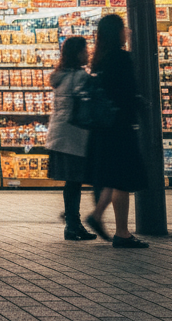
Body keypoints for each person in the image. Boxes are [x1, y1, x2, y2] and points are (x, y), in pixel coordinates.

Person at [84, 14, 149, 248]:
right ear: (117, 32)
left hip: (103, 128)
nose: (127, 31)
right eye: (123, 28)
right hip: (120, 126)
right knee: (122, 178)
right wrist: (140, 107)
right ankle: (121, 232)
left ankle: (100, 216)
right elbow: (127, 92)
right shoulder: (121, 58)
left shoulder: (99, 59)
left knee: (113, 176)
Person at [46, 36, 96, 241]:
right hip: (73, 135)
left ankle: (72, 220)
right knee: (76, 181)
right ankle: (73, 223)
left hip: (60, 134)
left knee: (73, 182)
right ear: (77, 53)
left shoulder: (61, 76)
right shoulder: (80, 77)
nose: (88, 53)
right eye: (85, 50)